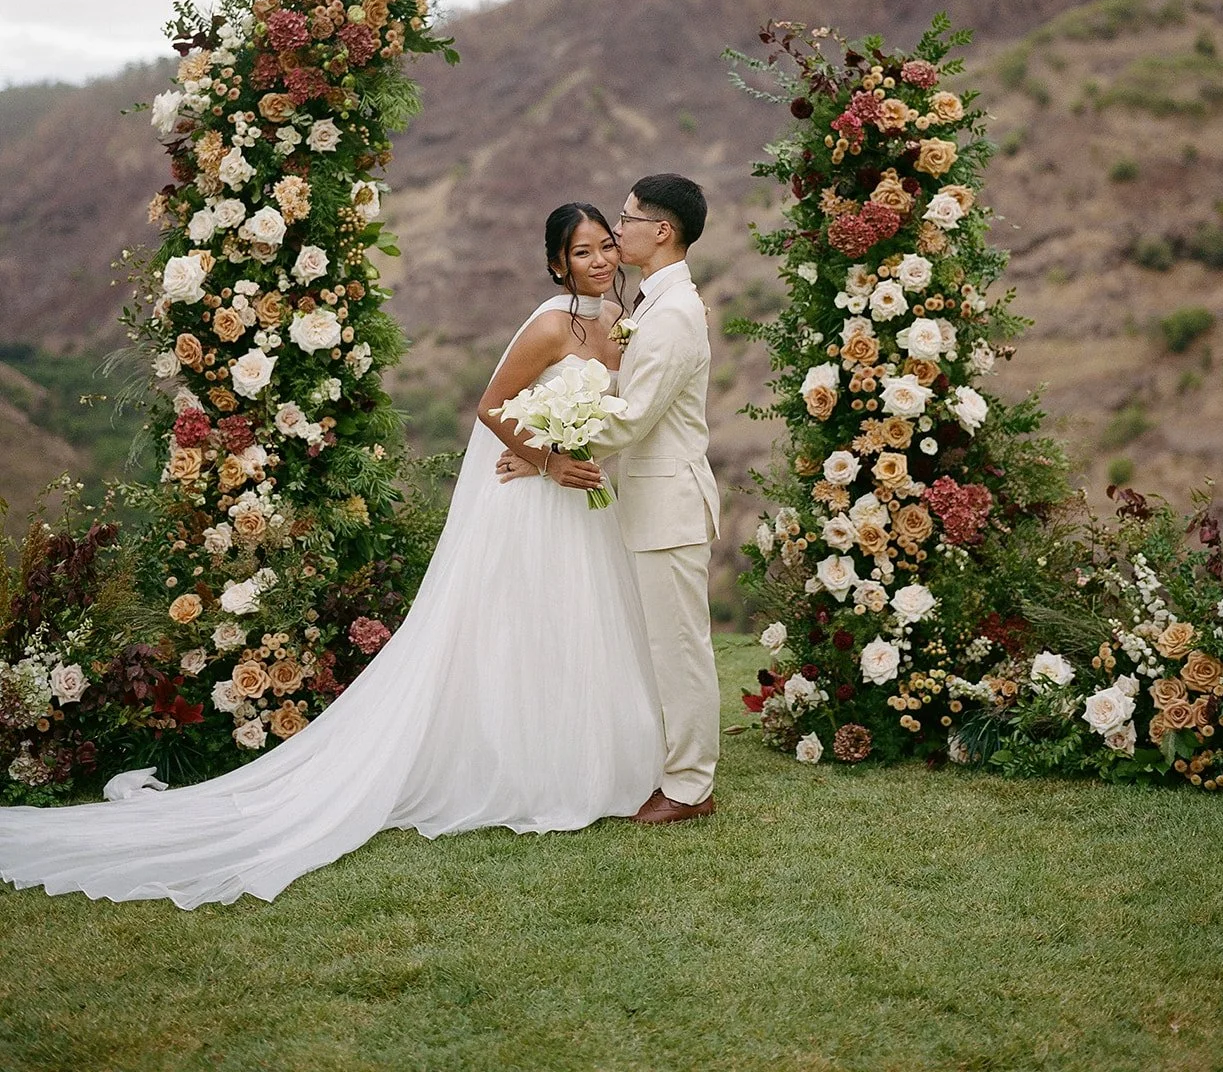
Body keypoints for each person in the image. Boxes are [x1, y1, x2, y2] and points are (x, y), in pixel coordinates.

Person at [0, 205, 664, 909]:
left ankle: (583, 759)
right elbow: (493, 406)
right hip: (534, 502)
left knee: (574, 626)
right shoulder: (551, 324)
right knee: (518, 627)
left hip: (580, 502)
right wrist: (547, 460)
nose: (599, 261)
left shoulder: (618, 328)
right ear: (559, 263)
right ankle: (523, 768)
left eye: (605, 248)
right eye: (582, 251)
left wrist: (566, 457)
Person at [498, 174, 721, 825]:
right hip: (651, 502)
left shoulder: (675, 312)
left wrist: (546, 443)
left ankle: (689, 789)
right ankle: (675, 769)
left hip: (670, 503)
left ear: (662, 231)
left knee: (681, 650)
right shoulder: (654, 303)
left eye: (626, 220)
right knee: (665, 648)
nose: (617, 230)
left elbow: (632, 417)